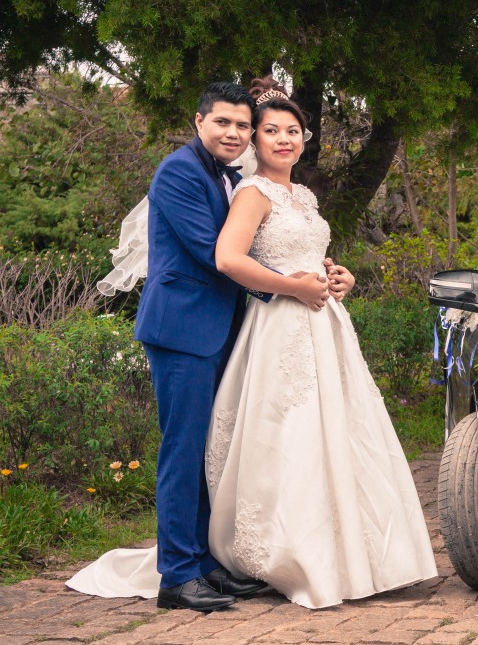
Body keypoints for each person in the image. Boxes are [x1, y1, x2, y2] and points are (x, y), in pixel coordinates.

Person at [67, 82, 355, 611]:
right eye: (224, 122)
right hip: (181, 329)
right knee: (183, 448)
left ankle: (206, 563)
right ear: (199, 122)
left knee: (211, 450)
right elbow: (214, 252)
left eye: (243, 125)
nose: (234, 132)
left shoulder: (229, 177)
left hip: (224, 328)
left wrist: (318, 271)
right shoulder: (179, 171)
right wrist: (295, 282)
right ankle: (177, 576)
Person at [203, 76, 437, 608]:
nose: (284, 139)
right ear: (255, 141)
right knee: (291, 434)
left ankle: (359, 555)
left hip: (323, 322)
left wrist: (336, 277)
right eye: (271, 131)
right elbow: (229, 260)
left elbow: (309, 255)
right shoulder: (253, 192)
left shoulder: (302, 195)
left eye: (293, 130)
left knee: (340, 432)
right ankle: (297, 556)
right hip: (281, 326)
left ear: (305, 139)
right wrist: (292, 287)